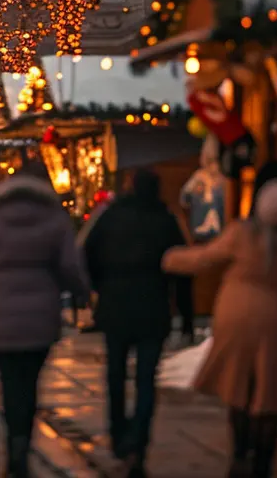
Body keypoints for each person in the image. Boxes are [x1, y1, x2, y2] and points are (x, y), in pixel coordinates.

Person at [163, 163, 277, 478]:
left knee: (237, 385)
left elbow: (204, 258)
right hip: (272, 317)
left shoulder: (241, 232)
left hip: (233, 311)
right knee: (269, 392)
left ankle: (240, 453)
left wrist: (168, 258)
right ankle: (262, 461)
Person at [0, 168, 88, 478]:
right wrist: (81, 294)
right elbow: (70, 265)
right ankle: (23, 445)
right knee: (30, 384)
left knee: (8, 383)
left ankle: (14, 446)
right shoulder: (53, 219)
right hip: (41, 314)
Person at [80, 169, 186, 476]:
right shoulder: (165, 220)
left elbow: (87, 252)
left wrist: (100, 287)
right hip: (153, 306)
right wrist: (185, 313)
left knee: (115, 373)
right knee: (145, 380)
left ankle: (118, 435)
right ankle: (139, 441)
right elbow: (181, 266)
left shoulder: (111, 217)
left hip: (116, 305)